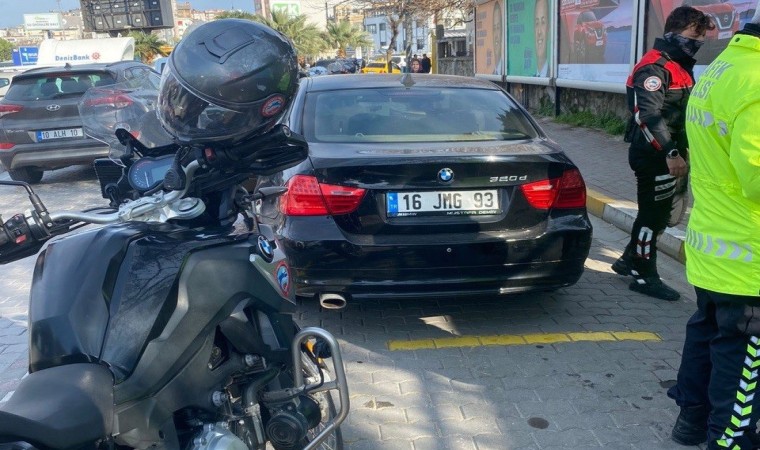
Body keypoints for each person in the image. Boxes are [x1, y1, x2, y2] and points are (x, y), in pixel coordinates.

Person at [666, 9, 760, 449]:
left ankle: (691, 420)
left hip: (714, 245)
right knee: (742, 358)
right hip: (748, 257)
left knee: (706, 333)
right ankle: (730, 439)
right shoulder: (757, 82)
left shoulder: (725, 67)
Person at [611, 6, 713, 301]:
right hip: (655, 155)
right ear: (674, 31)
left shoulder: (678, 64)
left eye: (702, 36)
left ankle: (629, 258)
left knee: (662, 215)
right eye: (695, 34)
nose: (699, 41)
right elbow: (647, 116)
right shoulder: (654, 68)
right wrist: (671, 153)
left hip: (672, 154)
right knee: (652, 218)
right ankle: (643, 275)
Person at [534, 0, 549, 77]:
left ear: (548, 29)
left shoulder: (552, 74)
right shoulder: (530, 77)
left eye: (543, 22)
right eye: (537, 23)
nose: (539, 32)